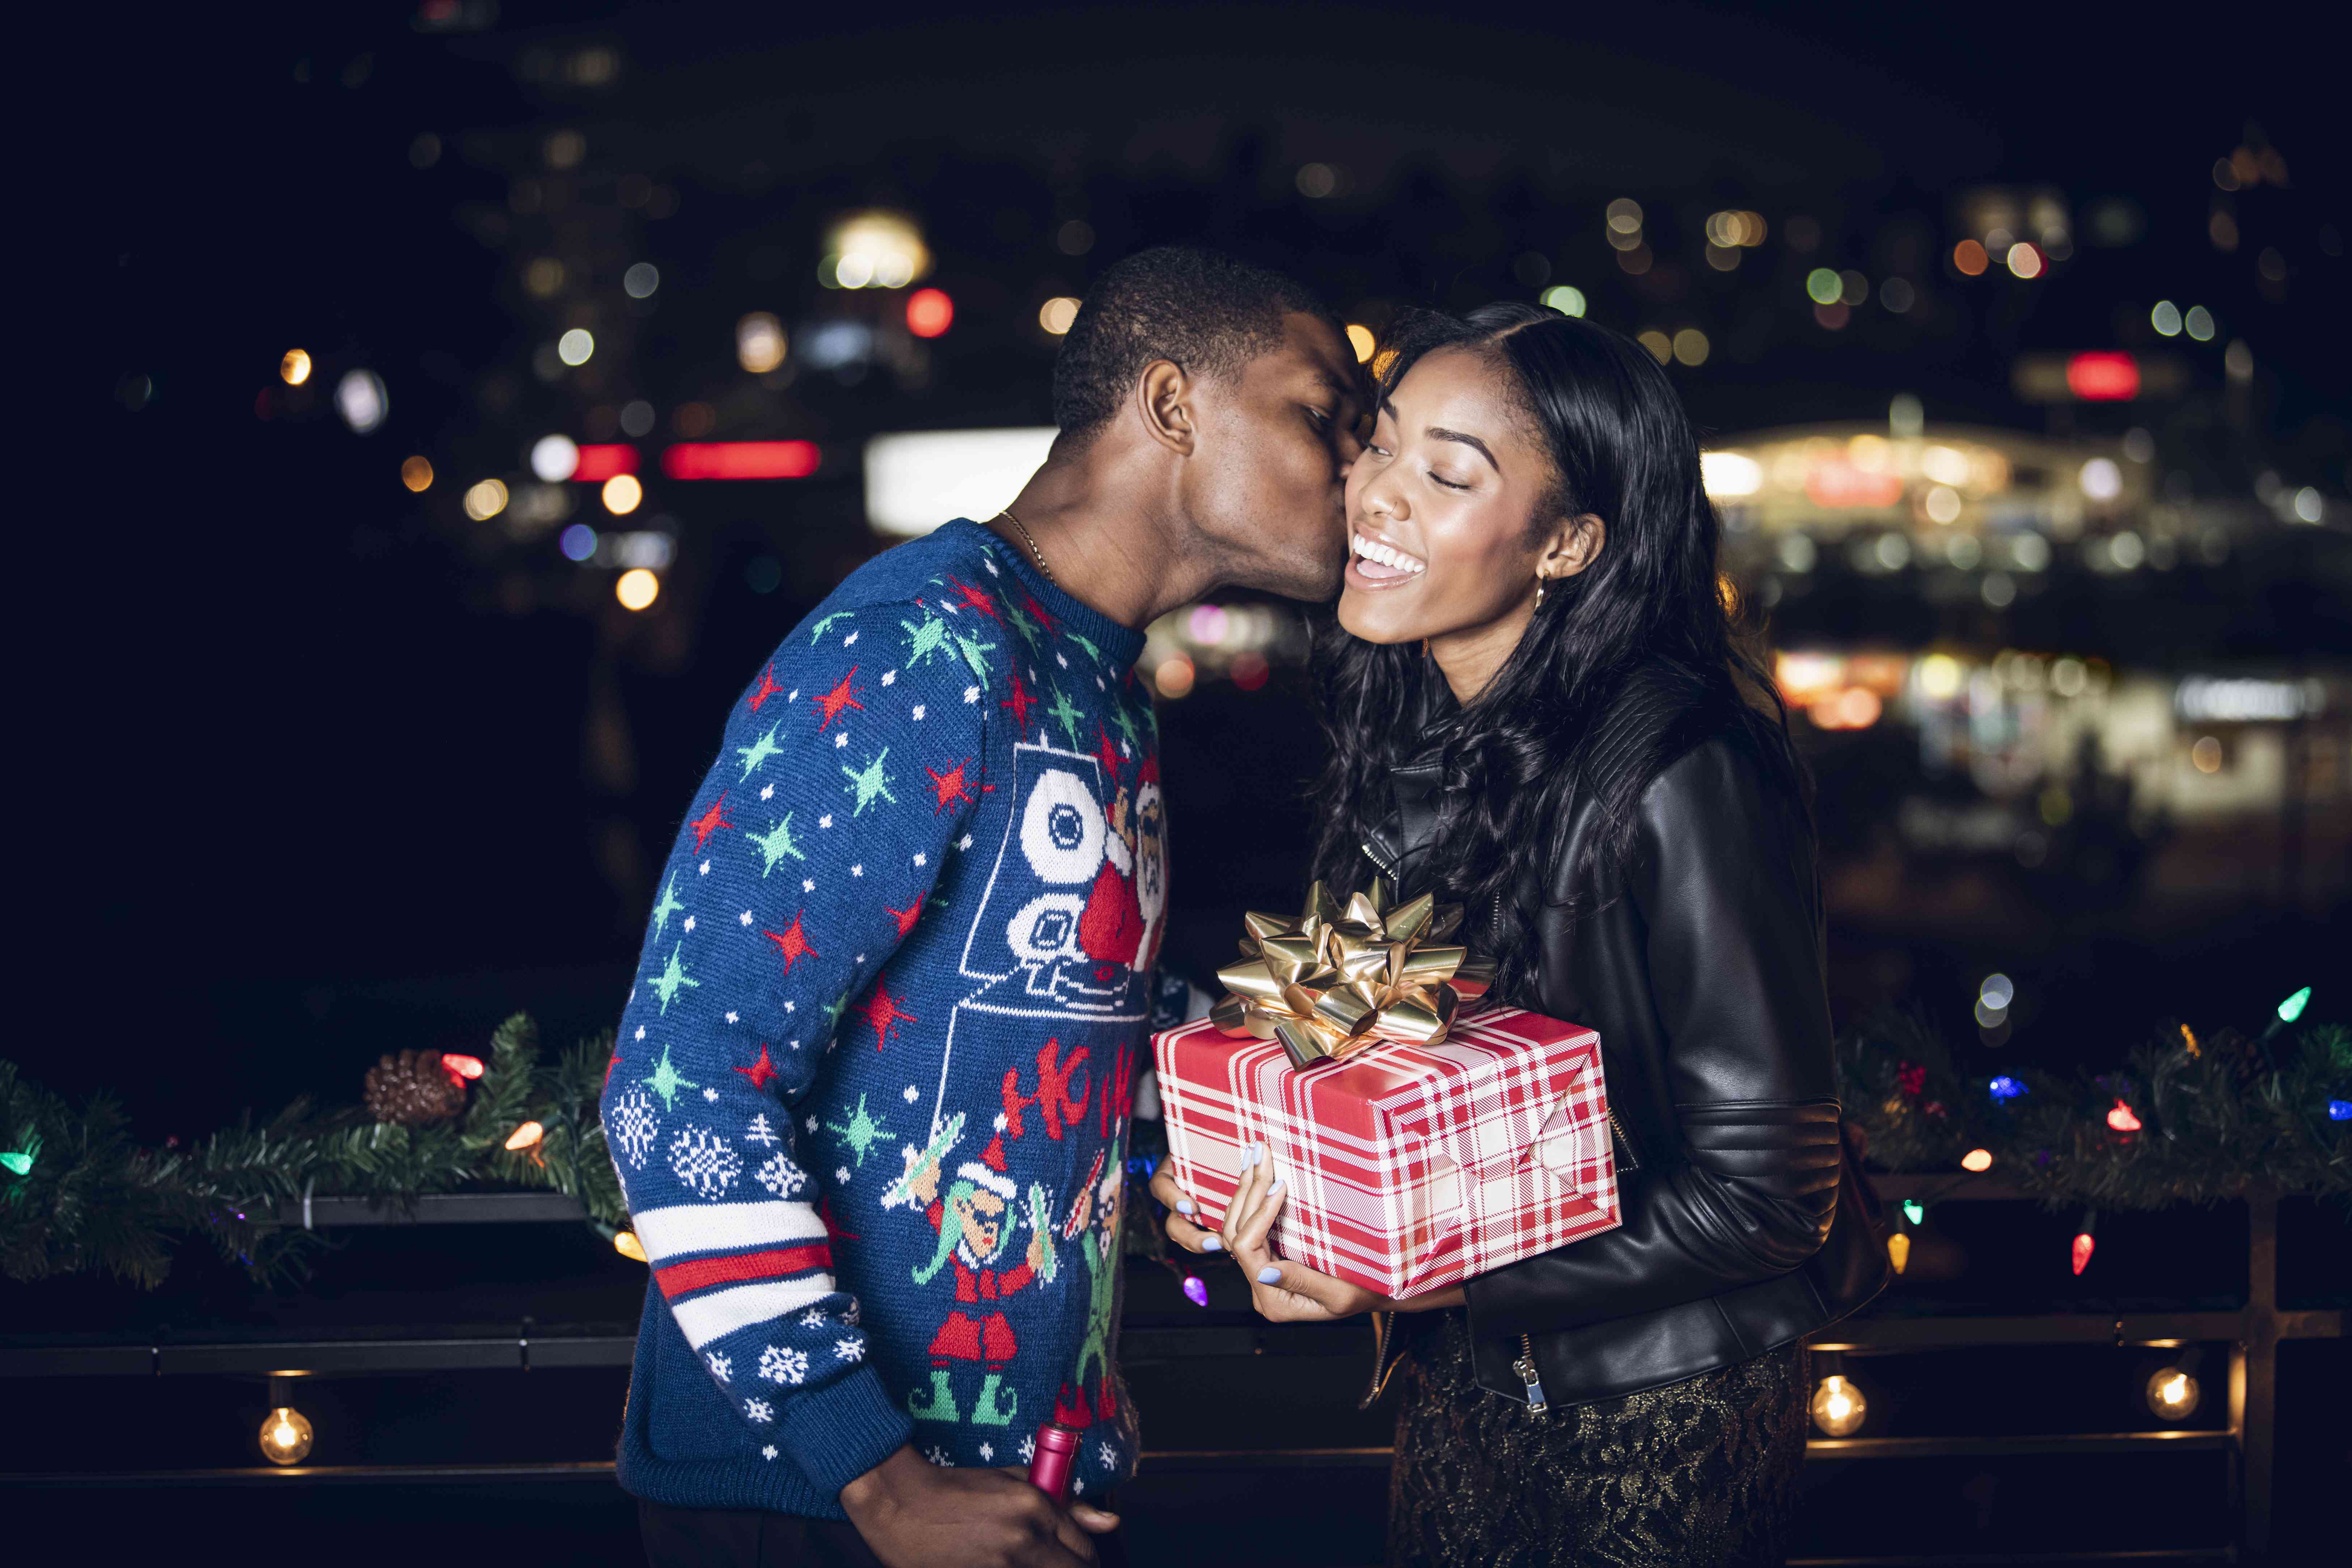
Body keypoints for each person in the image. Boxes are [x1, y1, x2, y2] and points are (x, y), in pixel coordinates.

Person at [604, 245, 1367, 1568]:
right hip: (818, 1510)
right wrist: (877, 1478)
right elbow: (679, 1082)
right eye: (1322, 416)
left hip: (1021, 1487)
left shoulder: (1095, 674)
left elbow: (1053, 1009)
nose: (1359, 469)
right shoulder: (920, 641)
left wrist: (1318, 1073)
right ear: (1174, 404)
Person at [1151, 303, 1888, 1567]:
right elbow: (1375, 1075)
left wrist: (1429, 1282)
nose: (1373, 494)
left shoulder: (1682, 766)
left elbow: (1771, 1198)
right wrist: (1270, 1205)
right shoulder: (1405, 732)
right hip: (1462, 1386)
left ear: (1566, 543)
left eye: (1444, 474)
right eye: (1377, 446)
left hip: (1665, 1415)